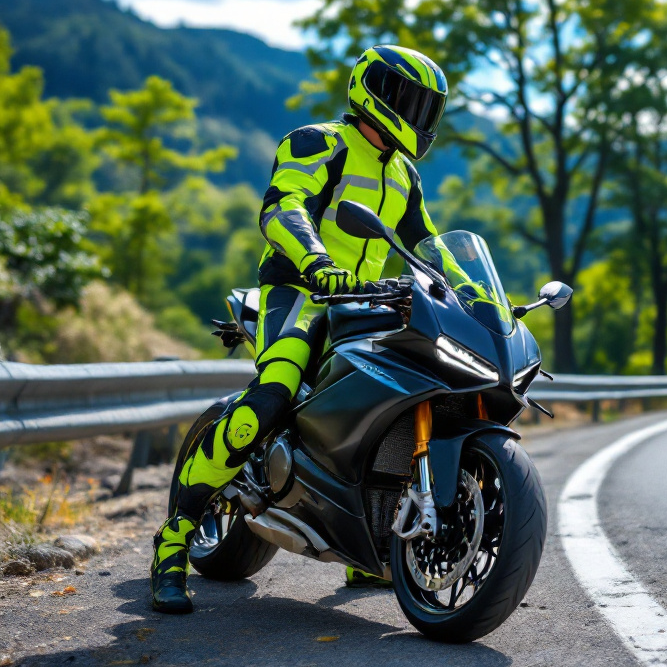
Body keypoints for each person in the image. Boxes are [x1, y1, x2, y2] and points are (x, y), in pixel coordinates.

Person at [150, 45, 451, 614]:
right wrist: (315, 261)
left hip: (366, 305)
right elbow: (283, 207)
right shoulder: (320, 142)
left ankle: (369, 551)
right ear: (374, 91)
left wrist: (479, 294)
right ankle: (171, 546)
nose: (417, 117)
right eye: (409, 101)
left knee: (390, 408)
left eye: (426, 108)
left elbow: (429, 247)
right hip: (300, 293)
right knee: (272, 398)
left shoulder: (402, 174)